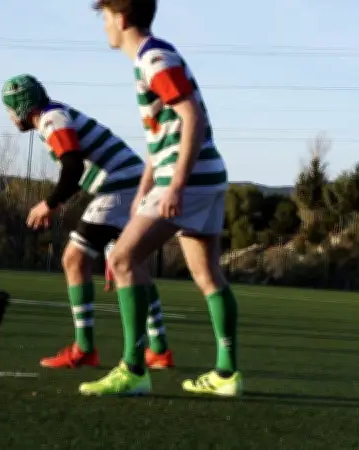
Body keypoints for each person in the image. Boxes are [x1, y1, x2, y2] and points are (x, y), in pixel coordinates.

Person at [85, 0, 241, 397]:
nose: (103, 26)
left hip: (187, 180)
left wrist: (174, 186)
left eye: (104, 17)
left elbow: (192, 117)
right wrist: (143, 194)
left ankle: (134, 370)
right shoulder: (152, 59)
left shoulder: (154, 58)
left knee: (120, 259)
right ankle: (227, 374)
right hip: (204, 177)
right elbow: (160, 139)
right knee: (207, 276)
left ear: (121, 18)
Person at [1, 74, 174, 370]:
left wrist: (49, 204)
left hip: (119, 186)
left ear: (21, 107)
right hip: (131, 184)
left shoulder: (51, 118)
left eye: (8, 109)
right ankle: (158, 349)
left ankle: (84, 349)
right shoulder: (56, 115)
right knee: (130, 267)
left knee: (73, 258)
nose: (8, 116)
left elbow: (73, 165)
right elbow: (79, 170)